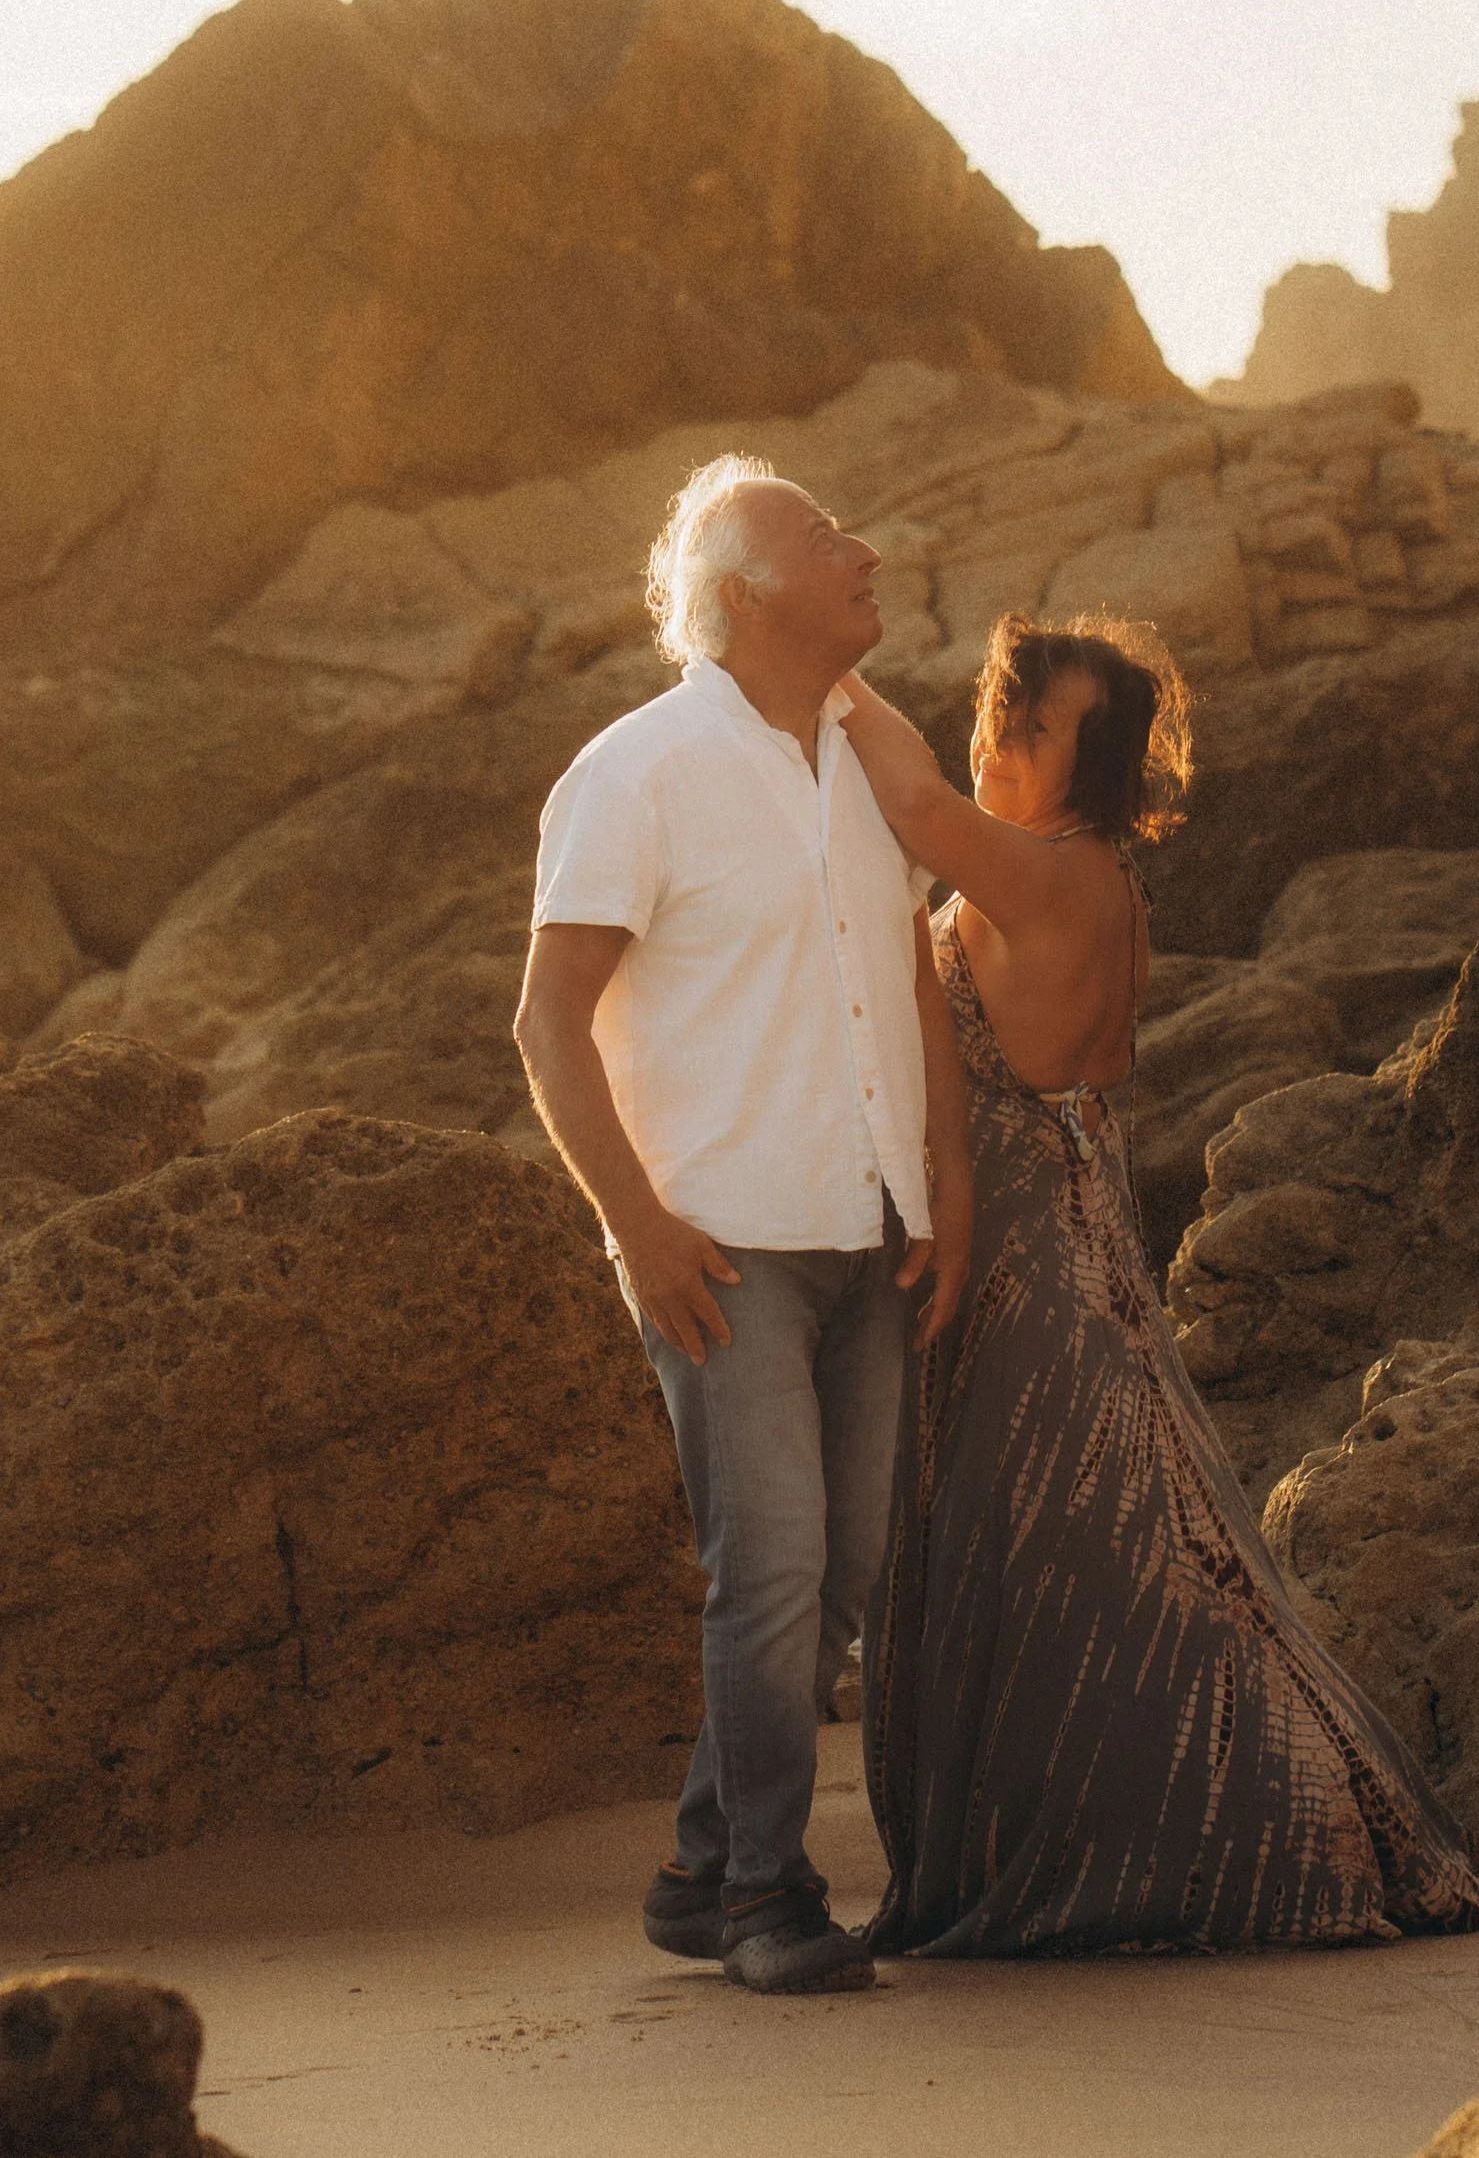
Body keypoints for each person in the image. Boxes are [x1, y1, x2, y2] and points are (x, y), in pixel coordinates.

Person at [840, 611, 1479, 1955]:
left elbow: (905, 797)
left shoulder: (1056, 875)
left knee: (1080, 1556)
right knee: (1101, 1546)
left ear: (1096, 763)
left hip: (1035, 1250)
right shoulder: (1072, 877)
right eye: (1001, 716)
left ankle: (1235, 1844)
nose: (998, 743)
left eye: (1036, 730)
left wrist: (813, 662)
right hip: (1060, 1231)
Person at [513, 455, 972, 1996]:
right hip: (723, 1246)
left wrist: (944, 1186)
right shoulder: (635, 771)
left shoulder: (863, 761)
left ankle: (702, 1863)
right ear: (745, 594)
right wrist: (634, 1229)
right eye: (827, 538)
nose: (868, 548)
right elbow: (548, 1021)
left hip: (872, 1224)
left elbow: (913, 981)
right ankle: (769, 1898)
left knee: (834, 1579)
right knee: (770, 1574)